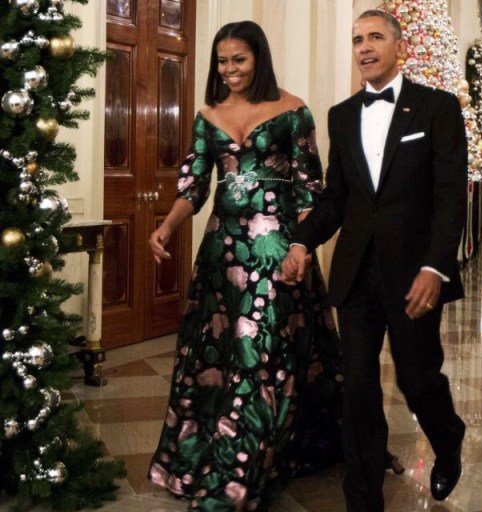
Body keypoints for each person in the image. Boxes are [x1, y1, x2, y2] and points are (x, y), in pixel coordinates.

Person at [145, 21, 344, 511]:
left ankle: (240, 473)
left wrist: (302, 246)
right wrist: (166, 227)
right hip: (221, 252)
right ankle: (216, 452)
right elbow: (193, 186)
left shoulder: (293, 111)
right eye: (222, 60)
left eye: (239, 59)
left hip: (276, 252)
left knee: (262, 353)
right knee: (221, 354)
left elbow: (308, 192)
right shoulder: (208, 114)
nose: (229, 69)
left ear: (259, 58)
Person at [282, 10, 467, 512]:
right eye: (357, 39)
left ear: (399, 46)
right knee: (358, 390)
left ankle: (448, 440)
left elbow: (451, 197)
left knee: (417, 380)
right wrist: (301, 242)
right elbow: (336, 198)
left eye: (375, 37)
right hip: (357, 273)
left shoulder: (437, 108)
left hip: (414, 275)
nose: (364, 47)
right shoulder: (341, 115)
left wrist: (436, 267)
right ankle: (362, 500)